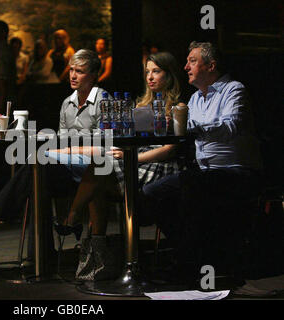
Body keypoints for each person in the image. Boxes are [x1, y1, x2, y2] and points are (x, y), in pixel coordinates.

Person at [142, 42, 263, 278]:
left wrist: (189, 128)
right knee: (150, 193)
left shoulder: (234, 89)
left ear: (211, 66)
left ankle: (189, 262)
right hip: (206, 172)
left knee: (192, 185)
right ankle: (193, 254)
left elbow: (230, 126)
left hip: (238, 171)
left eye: (192, 61)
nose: (185, 66)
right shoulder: (196, 98)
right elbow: (184, 131)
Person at [0, 49, 105, 229]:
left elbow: (104, 149)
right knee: (35, 169)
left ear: (94, 75)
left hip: (93, 168)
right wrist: (50, 141)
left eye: (79, 72)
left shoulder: (103, 101)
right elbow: (64, 139)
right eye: (71, 70)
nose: (73, 76)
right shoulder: (68, 102)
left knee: (38, 162)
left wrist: (60, 151)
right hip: (69, 164)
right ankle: (40, 247)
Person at [55, 52, 188, 240]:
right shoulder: (142, 105)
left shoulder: (178, 106)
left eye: (156, 71)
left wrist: (130, 157)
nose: (149, 77)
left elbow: (170, 150)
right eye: (147, 71)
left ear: (169, 74)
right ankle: (95, 245)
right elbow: (126, 137)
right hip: (135, 157)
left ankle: (74, 220)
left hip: (159, 163)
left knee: (99, 168)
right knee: (98, 173)